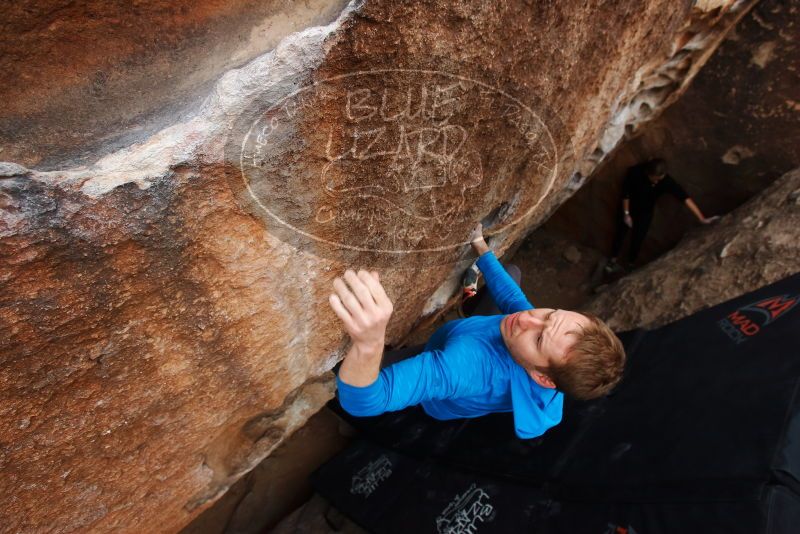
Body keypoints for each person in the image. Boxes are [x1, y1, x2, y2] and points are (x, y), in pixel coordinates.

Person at [328, 223, 626, 439]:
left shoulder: (465, 367)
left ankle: (359, 428)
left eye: (538, 337)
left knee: (347, 370)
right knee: (513, 275)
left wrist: (369, 343)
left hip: (445, 371)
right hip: (469, 336)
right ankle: (469, 301)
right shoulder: (539, 340)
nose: (527, 319)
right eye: (549, 314)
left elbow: (366, 403)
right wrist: (481, 247)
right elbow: (515, 303)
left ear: (541, 378)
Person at [607, 158, 718, 272]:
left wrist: (702, 218)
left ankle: (630, 265)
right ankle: (612, 261)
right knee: (620, 232)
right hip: (629, 208)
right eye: (655, 179)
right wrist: (626, 214)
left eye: (660, 179)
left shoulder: (665, 181)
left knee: (638, 238)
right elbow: (626, 194)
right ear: (648, 173)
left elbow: (684, 197)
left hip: (645, 212)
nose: (657, 182)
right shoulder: (635, 172)